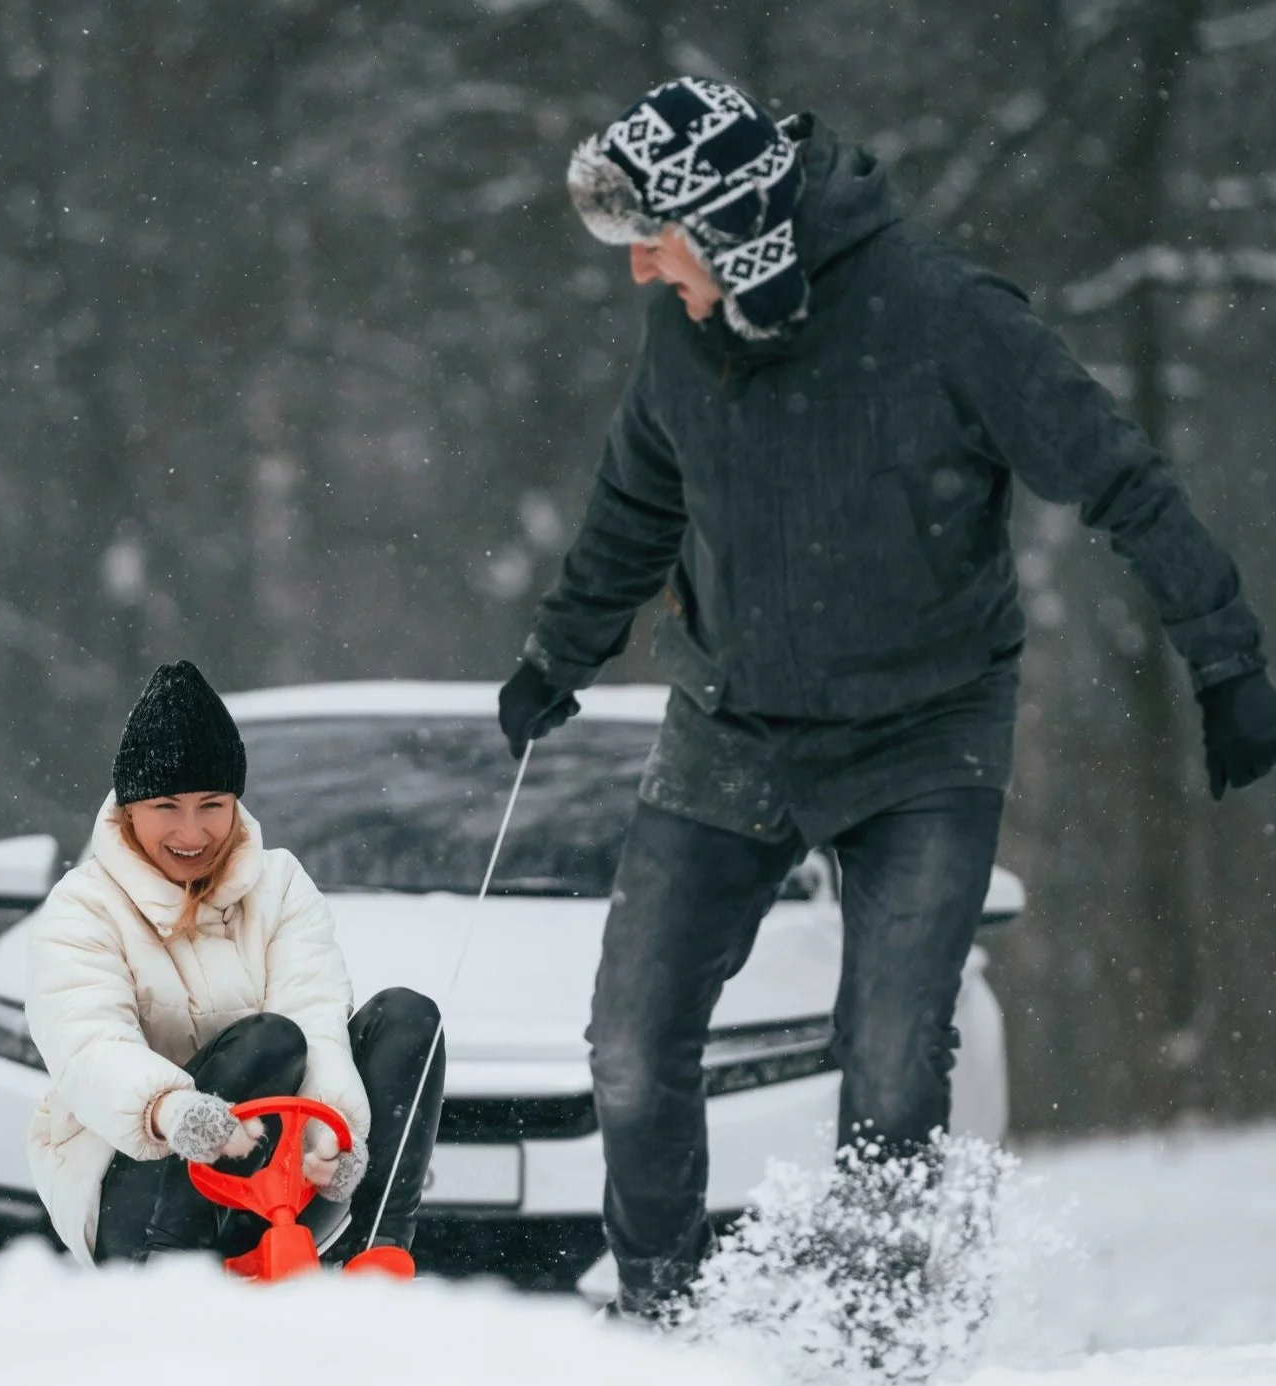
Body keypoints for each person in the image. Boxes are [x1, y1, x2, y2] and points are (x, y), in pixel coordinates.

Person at [497, 76, 1276, 1320]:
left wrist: (1225, 657)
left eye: (660, 242)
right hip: (735, 724)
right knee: (633, 1053)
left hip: (925, 732)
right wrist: (559, 656)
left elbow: (1117, 473)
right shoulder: (684, 336)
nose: (644, 274)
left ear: (739, 229)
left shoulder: (945, 315)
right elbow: (639, 505)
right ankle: (661, 1314)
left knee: (895, 1064)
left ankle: (873, 1330)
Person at [25, 659, 446, 1269]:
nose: (191, 832)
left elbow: (316, 1011)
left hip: (279, 1184)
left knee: (408, 1020)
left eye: (211, 804)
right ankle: (166, 1273)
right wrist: (176, 1112)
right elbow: (88, 1045)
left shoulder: (279, 885)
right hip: (141, 1191)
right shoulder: (83, 907)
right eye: (167, 806)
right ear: (128, 810)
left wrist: (330, 1134)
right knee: (268, 1042)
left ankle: (376, 1254)